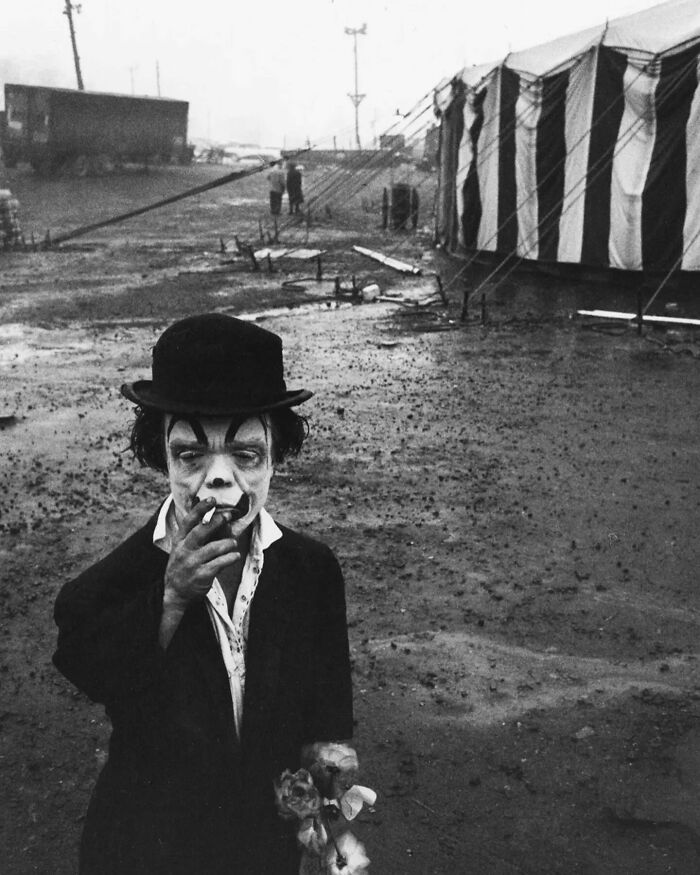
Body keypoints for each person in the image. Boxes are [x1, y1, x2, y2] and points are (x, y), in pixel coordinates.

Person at [53, 313, 354, 875]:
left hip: (266, 847)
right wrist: (167, 599)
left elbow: (328, 712)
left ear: (274, 454)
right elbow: (85, 664)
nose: (218, 478)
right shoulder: (117, 581)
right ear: (160, 453)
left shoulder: (312, 571)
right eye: (191, 454)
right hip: (150, 848)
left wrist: (328, 823)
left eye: (244, 453)